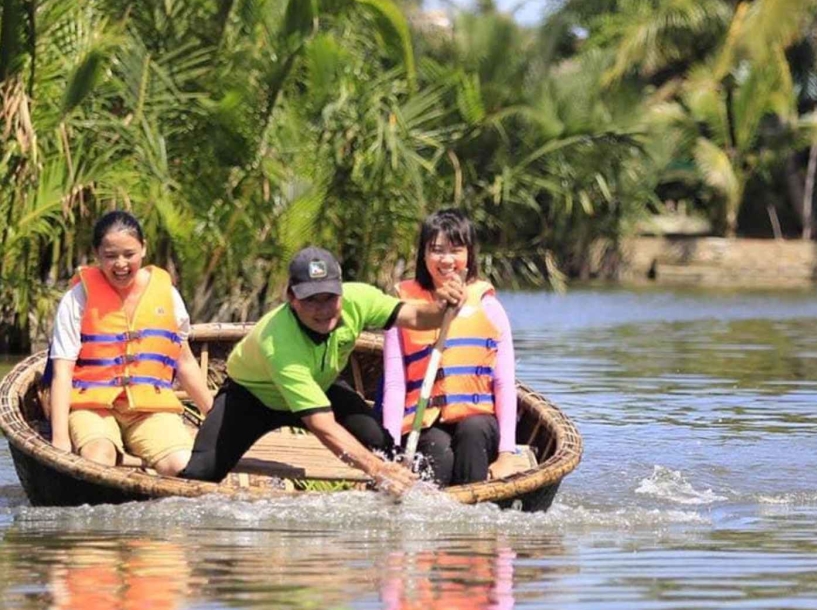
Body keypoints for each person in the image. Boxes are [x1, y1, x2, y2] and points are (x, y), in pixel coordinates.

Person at [178, 245, 464, 494]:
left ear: (342, 290)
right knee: (200, 474)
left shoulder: (359, 299)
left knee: (381, 442)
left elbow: (415, 315)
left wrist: (441, 308)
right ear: (291, 298)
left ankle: (395, 494)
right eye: (311, 300)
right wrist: (377, 469)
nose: (323, 309)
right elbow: (323, 427)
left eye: (329, 297)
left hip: (321, 384)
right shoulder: (279, 343)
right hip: (253, 397)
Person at [47, 211, 213, 476]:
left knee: (183, 467)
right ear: (97, 254)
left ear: (144, 249)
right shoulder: (77, 297)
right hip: (93, 407)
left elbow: (184, 362)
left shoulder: (167, 294)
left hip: (149, 409)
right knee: (99, 458)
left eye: (129, 254)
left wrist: (214, 417)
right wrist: (60, 439)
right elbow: (63, 371)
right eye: (110, 256)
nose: (120, 264)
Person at [380, 209, 524, 487]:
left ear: (469, 254)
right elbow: (395, 385)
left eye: (455, 250)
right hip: (426, 422)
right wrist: (392, 451)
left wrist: (507, 452)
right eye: (436, 250)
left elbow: (504, 383)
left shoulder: (490, 307)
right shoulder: (403, 310)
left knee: (473, 431)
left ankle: (473, 509)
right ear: (423, 255)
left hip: (479, 421)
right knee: (438, 451)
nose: (446, 260)